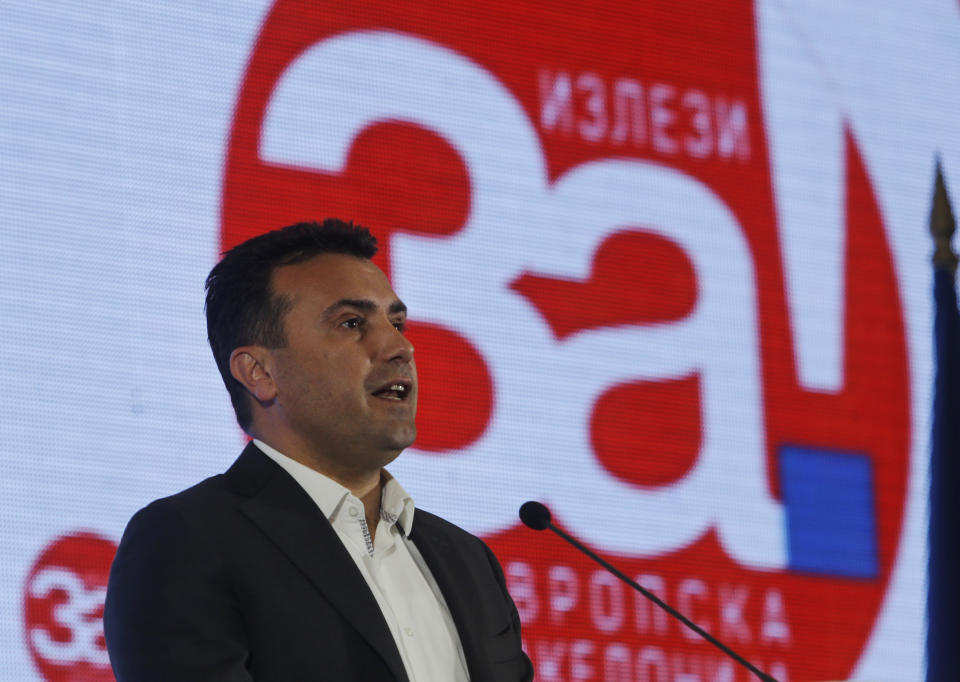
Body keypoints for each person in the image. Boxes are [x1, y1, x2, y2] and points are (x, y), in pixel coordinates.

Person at [103, 219, 533, 681]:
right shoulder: (186, 541)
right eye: (351, 323)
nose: (400, 345)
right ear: (259, 373)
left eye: (397, 322)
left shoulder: (468, 562)